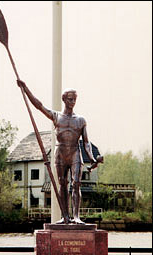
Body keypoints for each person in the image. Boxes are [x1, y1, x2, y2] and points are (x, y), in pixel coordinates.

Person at [17, 80, 103, 224]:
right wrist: (25, 89)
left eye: (75, 99)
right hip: (60, 153)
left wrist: (92, 158)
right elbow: (39, 106)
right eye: (70, 99)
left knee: (76, 183)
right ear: (64, 99)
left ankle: (76, 216)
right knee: (63, 184)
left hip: (75, 152)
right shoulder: (56, 116)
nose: (73, 102)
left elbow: (86, 142)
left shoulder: (81, 120)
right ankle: (65, 216)